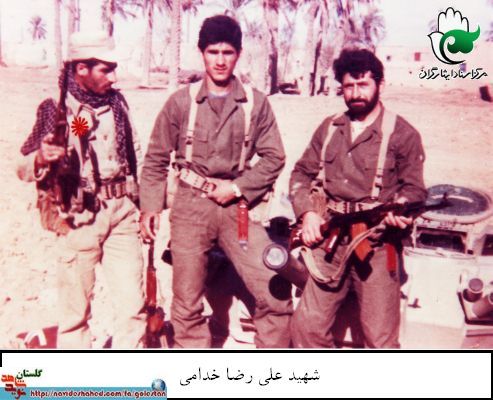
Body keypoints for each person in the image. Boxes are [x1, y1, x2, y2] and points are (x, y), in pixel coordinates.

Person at [139, 15, 292, 348]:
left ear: (238, 54)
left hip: (239, 209)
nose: (220, 61)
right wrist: (150, 207)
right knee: (187, 300)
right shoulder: (181, 102)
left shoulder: (255, 103)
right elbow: (155, 158)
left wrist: (237, 188)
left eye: (227, 52)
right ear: (202, 53)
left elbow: (274, 157)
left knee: (273, 286)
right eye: (213, 52)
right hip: (190, 208)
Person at [289, 48, 427, 348]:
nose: (355, 93)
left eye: (363, 84)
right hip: (330, 241)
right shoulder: (330, 128)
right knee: (306, 328)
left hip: (377, 243)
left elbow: (415, 190)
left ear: (380, 84)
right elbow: (301, 173)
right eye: (349, 86)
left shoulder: (402, 134)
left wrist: (401, 210)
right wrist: (307, 214)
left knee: (379, 338)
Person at [16, 31, 146, 348]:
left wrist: (146, 206)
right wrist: (43, 156)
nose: (114, 78)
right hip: (79, 219)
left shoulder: (117, 103)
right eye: (106, 70)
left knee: (132, 308)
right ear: (81, 69)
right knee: (75, 315)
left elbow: (136, 154)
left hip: (122, 215)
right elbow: (22, 167)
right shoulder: (56, 110)